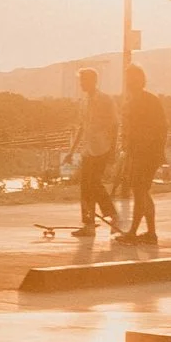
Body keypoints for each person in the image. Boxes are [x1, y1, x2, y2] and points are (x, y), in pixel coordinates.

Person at [117, 66, 167, 246]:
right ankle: (150, 233)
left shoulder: (148, 101)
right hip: (138, 152)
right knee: (142, 192)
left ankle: (134, 231)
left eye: (132, 79)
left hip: (146, 153)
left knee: (139, 191)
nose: (129, 82)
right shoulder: (133, 101)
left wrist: (152, 149)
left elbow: (159, 129)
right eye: (128, 78)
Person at [66, 66, 118, 236]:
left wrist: (112, 151)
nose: (81, 84)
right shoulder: (84, 101)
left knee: (94, 183)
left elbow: (114, 125)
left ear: (93, 81)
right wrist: (72, 151)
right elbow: (82, 127)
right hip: (88, 149)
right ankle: (88, 224)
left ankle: (112, 213)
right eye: (80, 80)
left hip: (102, 147)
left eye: (84, 80)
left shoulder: (105, 100)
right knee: (85, 186)